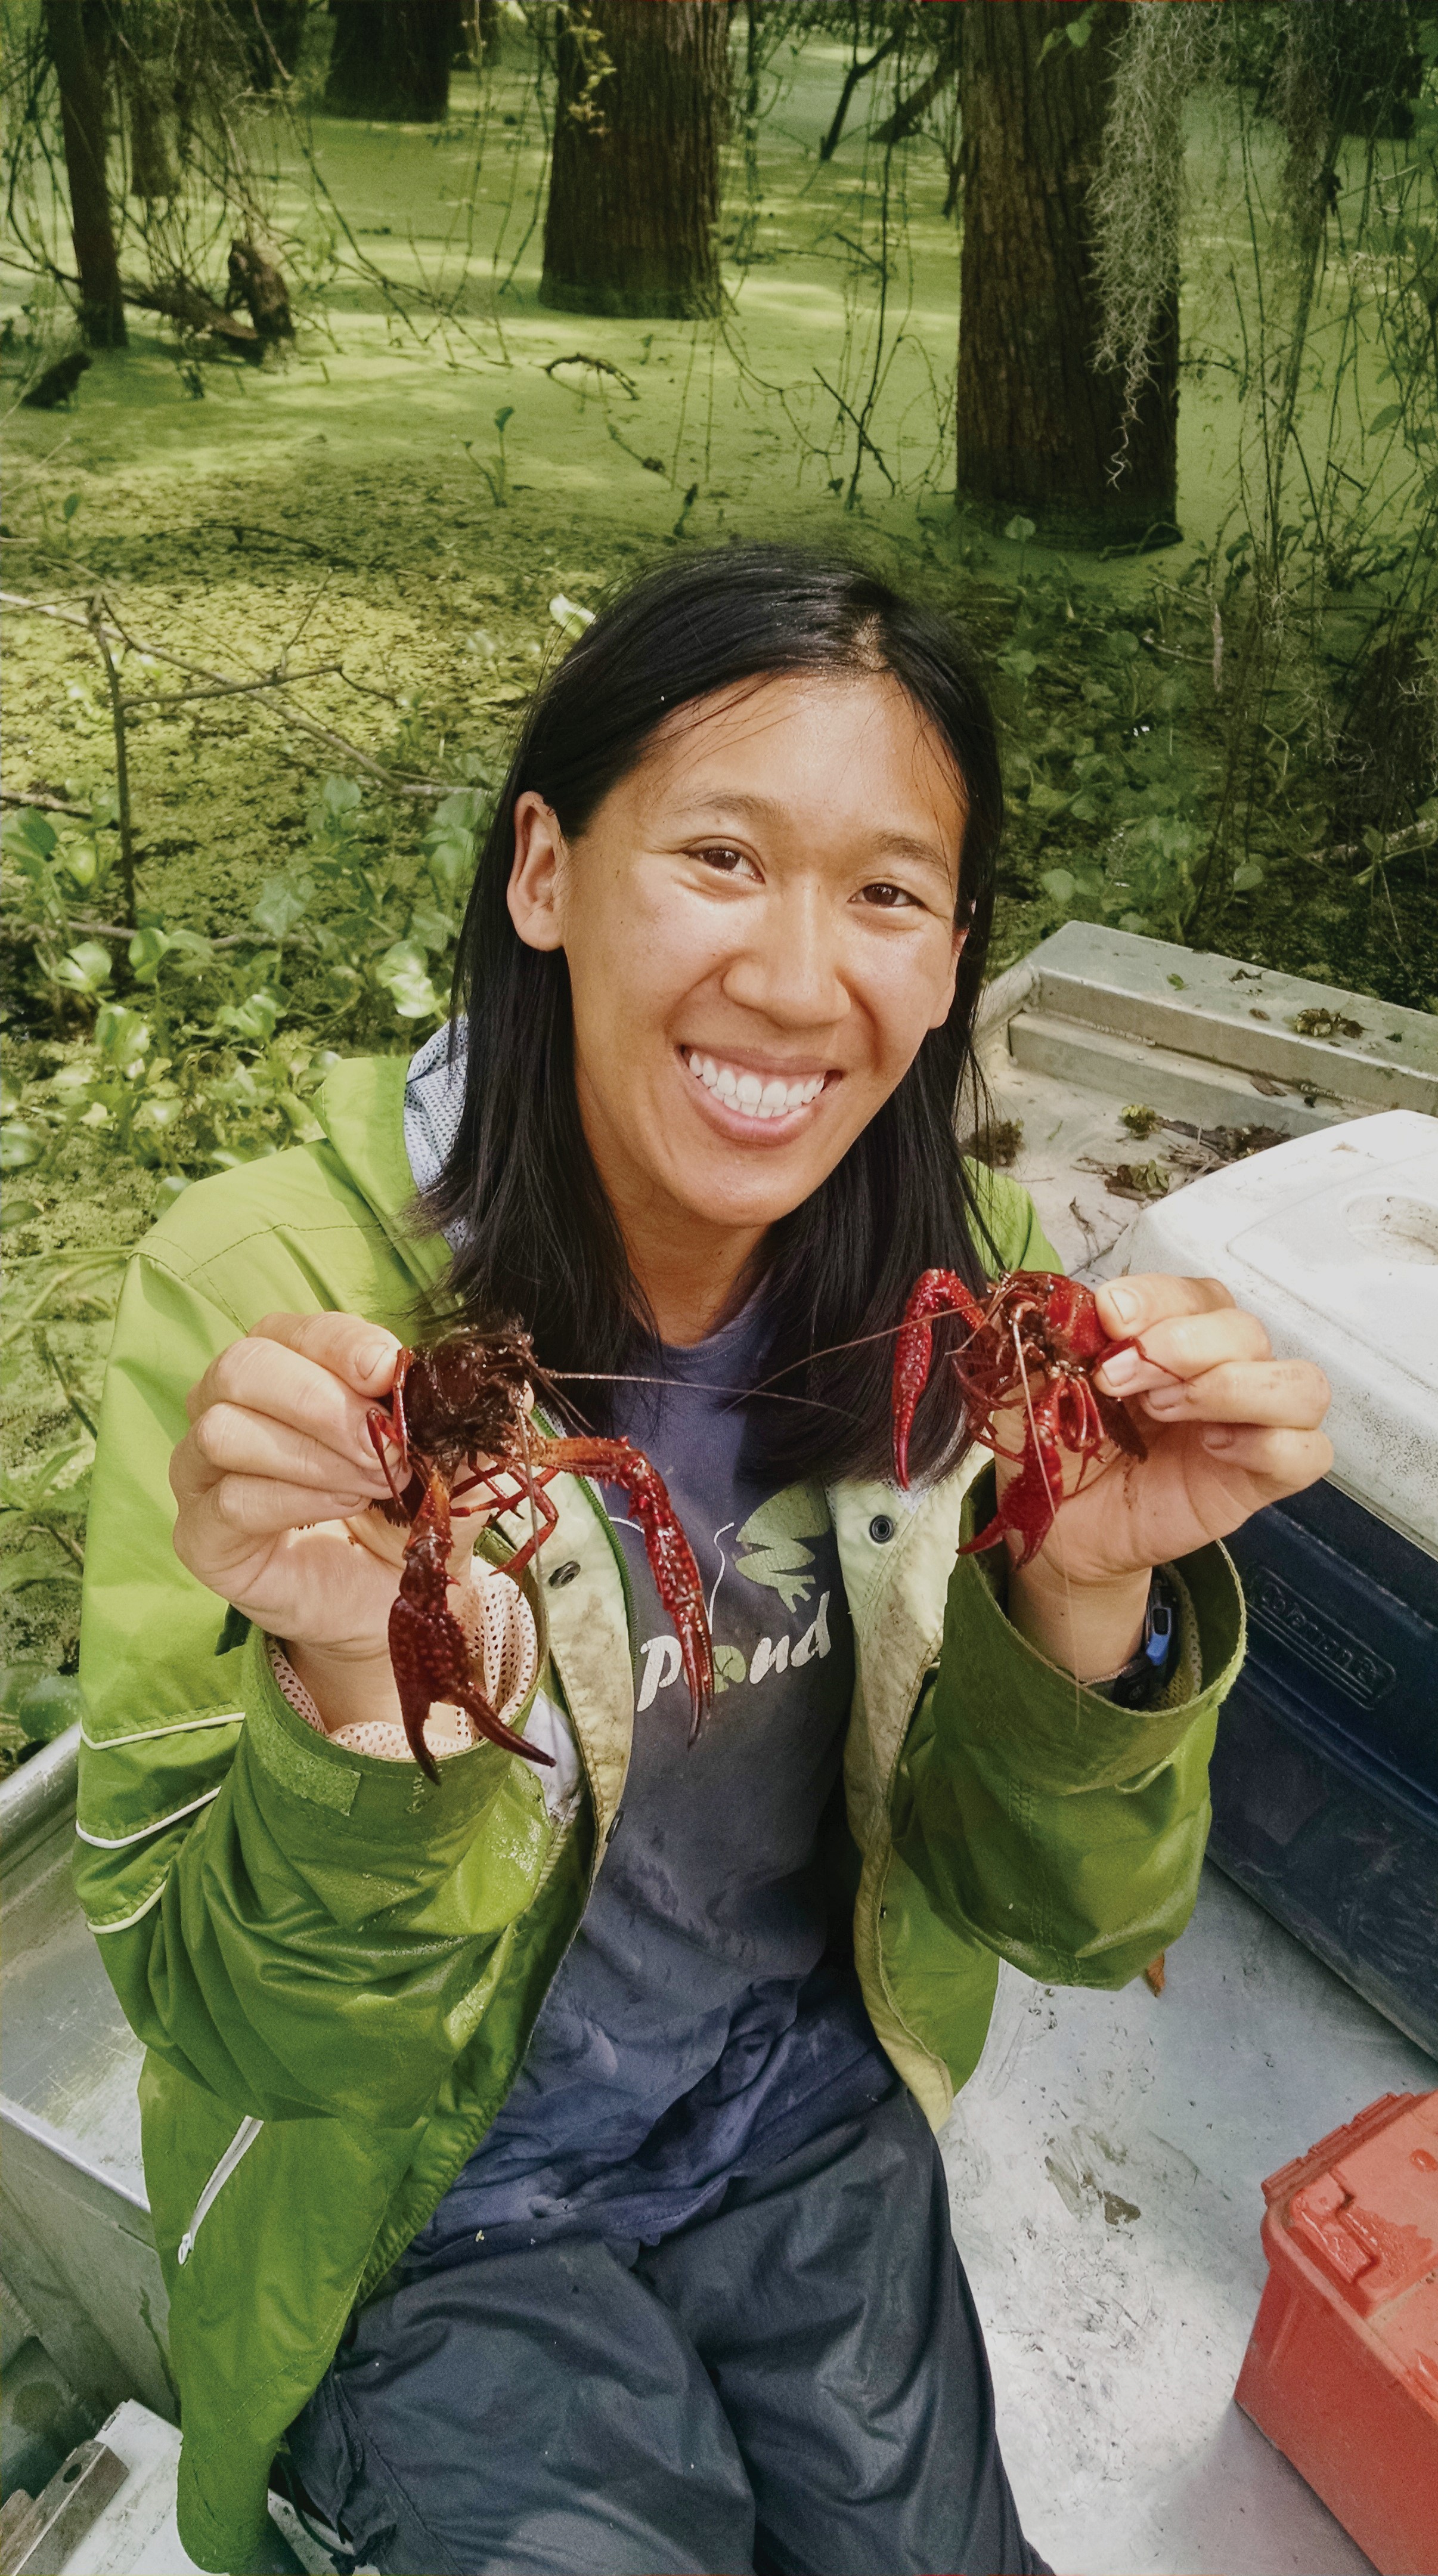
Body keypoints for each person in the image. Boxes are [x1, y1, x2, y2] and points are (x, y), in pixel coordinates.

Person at [75, 549, 1332, 2576]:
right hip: (431, 2188)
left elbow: (1080, 1928)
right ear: (546, 871)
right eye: (724, 855)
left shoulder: (981, 1313)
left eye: (890, 894)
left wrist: (1084, 1595)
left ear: (951, 961)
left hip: (804, 2105)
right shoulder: (277, 1320)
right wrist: (362, 1695)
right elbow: (258, 2038)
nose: (795, 973)